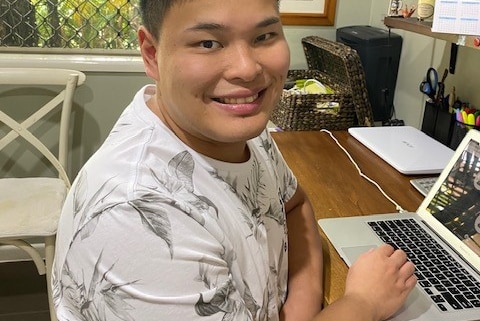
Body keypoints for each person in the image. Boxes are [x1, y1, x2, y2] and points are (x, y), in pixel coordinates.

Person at [51, 0, 417, 320]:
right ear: (151, 54)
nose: (247, 69)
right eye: (208, 42)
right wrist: (362, 303)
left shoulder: (241, 127)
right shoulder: (137, 218)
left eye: (263, 36)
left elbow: (294, 204)